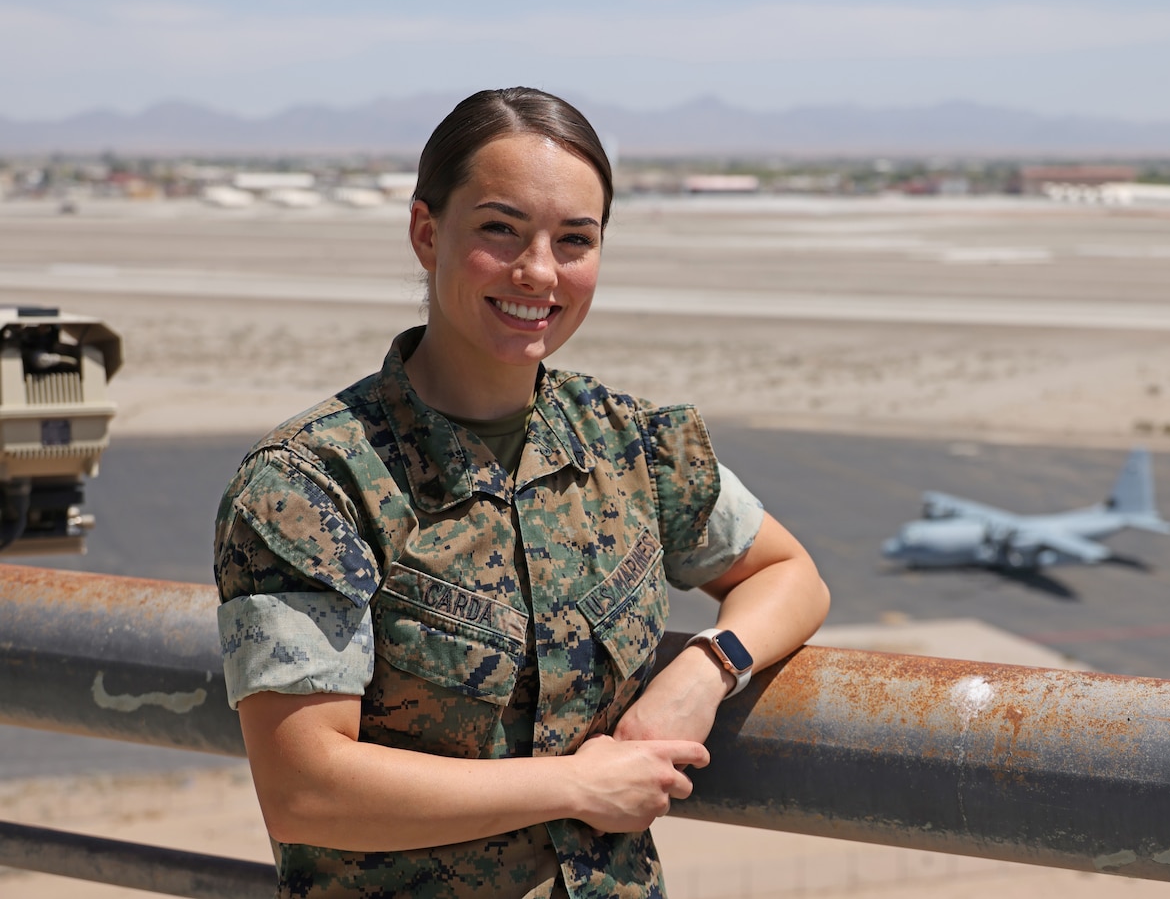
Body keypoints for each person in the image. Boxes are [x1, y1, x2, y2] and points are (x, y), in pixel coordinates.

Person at [212, 87, 830, 899]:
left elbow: (789, 576)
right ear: (426, 232)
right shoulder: (314, 484)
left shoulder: (630, 445)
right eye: (500, 230)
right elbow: (306, 790)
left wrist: (705, 673)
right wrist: (577, 786)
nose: (539, 271)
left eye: (575, 240)